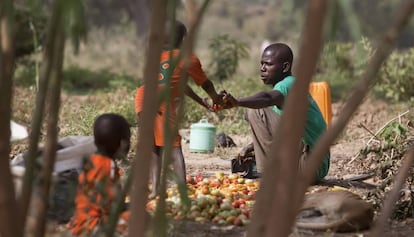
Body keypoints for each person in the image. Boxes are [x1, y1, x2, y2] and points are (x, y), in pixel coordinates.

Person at [134, 20, 223, 198]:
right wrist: (215, 98)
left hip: (142, 100)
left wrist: (201, 102)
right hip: (161, 103)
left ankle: (154, 190)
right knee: (174, 147)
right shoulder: (187, 58)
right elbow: (205, 83)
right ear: (184, 39)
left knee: (153, 146)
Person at [220, 43, 330, 181]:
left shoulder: (289, 84)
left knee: (256, 111)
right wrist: (254, 147)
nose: (262, 69)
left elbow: (267, 98)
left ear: (285, 67)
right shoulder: (285, 92)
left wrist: (237, 102)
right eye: (261, 64)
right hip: (313, 165)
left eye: (268, 64)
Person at [67, 113, 131, 235]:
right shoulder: (108, 167)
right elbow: (111, 205)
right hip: (94, 226)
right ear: (123, 144)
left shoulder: (91, 162)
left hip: (79, 222)